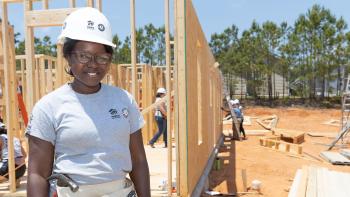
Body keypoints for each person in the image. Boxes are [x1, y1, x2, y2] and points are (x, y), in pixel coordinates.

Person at [25, 7, 150, 197]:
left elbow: (138, 160)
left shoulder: (124, 100)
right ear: (68, 56)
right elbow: (38, 174)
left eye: (102, 57)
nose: (93, 64)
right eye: (83, 55)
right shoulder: (49, 107)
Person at [0, 122, 27, 187]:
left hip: (8, 168)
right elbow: (25, 155)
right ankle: (15, 180)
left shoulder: (0, 138)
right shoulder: (14, 138)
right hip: (22, 169)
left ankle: (7, 178)